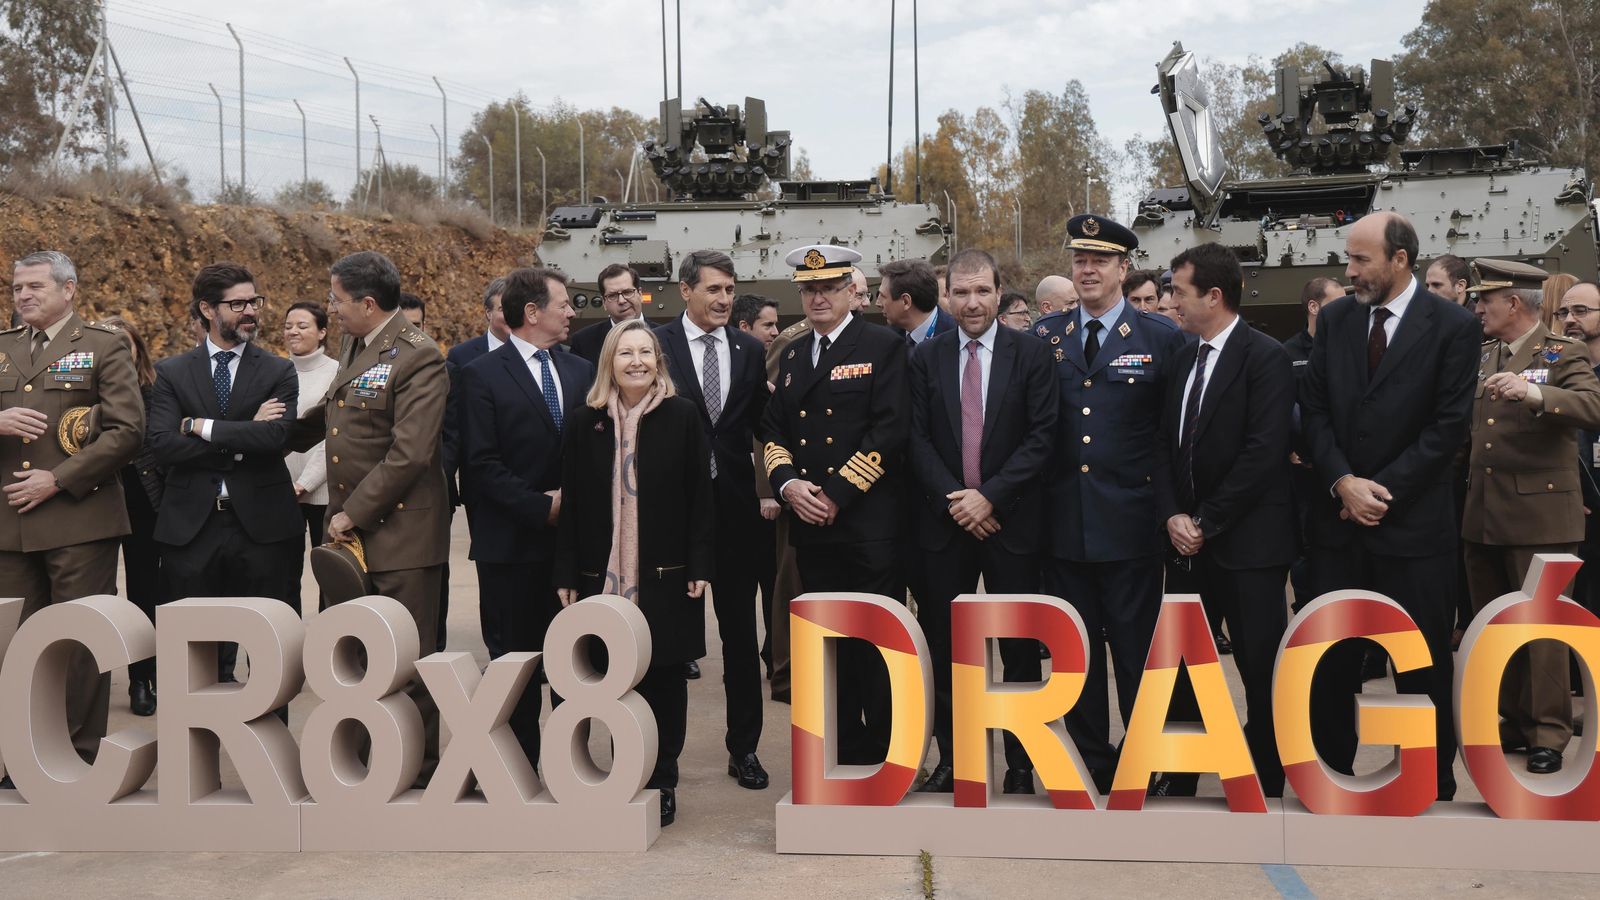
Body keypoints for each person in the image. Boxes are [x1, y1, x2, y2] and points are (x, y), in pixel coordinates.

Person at [1298, 211, 1480, 802]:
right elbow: (1316, 413)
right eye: (1347, 259)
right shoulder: (1338, 321)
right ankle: (1329, 772)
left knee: (1422, 660)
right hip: (1338, 527)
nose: (1349, 272)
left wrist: (1380, 492)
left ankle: (1428, 777)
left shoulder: (1452, 327)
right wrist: (1343, 482)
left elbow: (1448, 427)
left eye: (1360, 260)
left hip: (1414, 530)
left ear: (1400, 259)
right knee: (1331, 661)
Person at [1033, 215, 1186, 794]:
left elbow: (1174, 437)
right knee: (1076, 657)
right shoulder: (1045, 338)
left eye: (1100, 260)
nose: (1088, 270)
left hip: (1133, 525)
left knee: (1137, 653)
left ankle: (1151, 758)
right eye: (1079, 260)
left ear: (1125, 267)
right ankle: (1092, 760)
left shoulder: (1161, 340)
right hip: (1063, 525)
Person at [288, 250, 451, 786]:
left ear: (368, 303)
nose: (331, 309)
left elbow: (410, 453)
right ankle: (363, 763)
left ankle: (418, 767)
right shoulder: (356, 342)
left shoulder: (418, 355)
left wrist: (350, 513)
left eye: (336, 301)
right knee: (357, 656)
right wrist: (267, 436)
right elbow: (337, 421)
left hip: (401, 533)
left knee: (410, 657)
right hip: (353, 534)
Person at [908, 248, 1058, 794]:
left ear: (999, 293)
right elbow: (916, 440)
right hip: (945, 530)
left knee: (1018, 649)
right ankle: (955, 759)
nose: (972, 302)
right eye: (961, 292)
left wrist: (989, 498)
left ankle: (1021, 763)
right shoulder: (925, 358)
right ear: (946, 296)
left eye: (982, 291)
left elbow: (1042, 437)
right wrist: (959, 500)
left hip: (1011, 526)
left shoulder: (1033, 355)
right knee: (947, 650)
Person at [555, 319, 714, 828]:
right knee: (605, 677)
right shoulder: (586, 421)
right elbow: (574, 502)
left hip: (667, 573)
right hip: (599, 577)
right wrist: (566, 571)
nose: (637, 361)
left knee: (665, 677)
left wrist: (701, 563)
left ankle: (662, 778)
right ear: (610, 362)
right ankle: (618, 770)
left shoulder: (683, 416)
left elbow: (700, 499)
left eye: (646, 352)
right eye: (626, 353)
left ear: (659, 361)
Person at [1154, 243, 1296, 798]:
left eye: (1179, 293)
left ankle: (1267, 773)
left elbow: (1263, 454)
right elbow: (1163, 444)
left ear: (1214, 296)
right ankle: (1182, 770)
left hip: (1249, 546)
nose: (1172, 302)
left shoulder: (1266, 357)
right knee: (1185, 668)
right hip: (1186, 543)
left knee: (1261, 667)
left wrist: (1205, 522)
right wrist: (1172, 515)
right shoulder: (1181, 356)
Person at [761, 242, 909, 765]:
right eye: (809, 289)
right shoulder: (797, 352)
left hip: (866, 524)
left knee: (877, 644)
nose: (818, 297)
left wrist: (837, 494)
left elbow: (890, 429)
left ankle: (890, 752)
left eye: (828, 288)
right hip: (812, 526)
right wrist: (788, 485)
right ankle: (845, 745)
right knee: (831, 644)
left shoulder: (884, 345)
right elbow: (773, 428)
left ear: (852, 290)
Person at [0, 251, 143, 770]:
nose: (24, 296)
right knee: (14, 643)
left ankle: (77, 754)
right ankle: (25, 755)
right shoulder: (3, 347)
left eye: (35, 286)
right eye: (17, 288)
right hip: (9, 524)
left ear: (69, 290)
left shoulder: (102, 346)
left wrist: (57, 479)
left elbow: (128, 430)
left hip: (79, 520)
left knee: (79, 641)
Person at [1462, 259, 1600, 775]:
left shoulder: (1562, 353)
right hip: (1484, 516)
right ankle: (1516, 720)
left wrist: (1535, 392)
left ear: (1512, 303)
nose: (1477, 309)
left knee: (1542, 633)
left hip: (1541, 518)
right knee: (1497, 627)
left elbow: (1593, 405)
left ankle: (1548, 733)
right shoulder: (1483, 357)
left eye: (1485, 301)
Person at [148, 262, 302, 696]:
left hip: (264, 529)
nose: (251, 311)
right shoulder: (172, 373)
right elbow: (161, 446)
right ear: (207, 309)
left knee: (272, 654)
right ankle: (196, 750)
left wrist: (202, 426)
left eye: (255, 301)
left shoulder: (277, 370)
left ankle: (269, 756)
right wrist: (242, 433)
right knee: (193, 654)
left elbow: (274, 438)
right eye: (238, 304)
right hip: (190, 529)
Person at [459, 266, 591, 773]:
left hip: (571, 551)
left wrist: (576, 509)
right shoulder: (479, 375)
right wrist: (545, 507)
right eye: (564, 304)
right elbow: (480, 465)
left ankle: (570, 767)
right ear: (532, 313)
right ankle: (519, 771)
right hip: (510, 549)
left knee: (572, 668)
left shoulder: (580, 371)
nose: (572, 312)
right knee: (515, 667)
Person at [654, 249, 771, 789]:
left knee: (742, 644)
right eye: (713, 290)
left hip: (738, 519)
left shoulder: (749, 350)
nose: (724, 299)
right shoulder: (655, 345)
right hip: (674, 522)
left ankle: (743, 749)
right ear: (686, 291)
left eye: (729, 290)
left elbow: (764, 427)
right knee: (671, 646)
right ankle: (665, 761)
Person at [99, 316, 164, 716]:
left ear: (138, 350)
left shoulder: (157, 392)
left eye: (126, 346)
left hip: (145, 505)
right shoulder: (85, 394)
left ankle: (143, 680)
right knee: (99, 596)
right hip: (96, 502)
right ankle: (92, 682)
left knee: (144, 595)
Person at [443, 277, 508, 654]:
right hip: (483, 486)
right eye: (501, 307)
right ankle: (498, 651)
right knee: (493, 578)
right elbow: (455, 426)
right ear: (487, 313)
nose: (509, 313)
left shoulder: (548, 352)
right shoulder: (462, 357)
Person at [732, 292, 781, 678]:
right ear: (745, 327)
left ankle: (773, 653)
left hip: (767, 491)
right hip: (743, 492)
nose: (775, 332)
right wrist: (765, 491)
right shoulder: (739, 361)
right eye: (768, 325)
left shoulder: (773, 360)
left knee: (773, 578)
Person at [283, 300, 340, 610]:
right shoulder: (275, 371)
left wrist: (304, 483)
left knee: (328, 574)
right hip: (281, 491)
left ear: (322, 332)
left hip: (321, 491)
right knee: (284, 574)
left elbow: (332, 436)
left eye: (302, 326)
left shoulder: (337, 372)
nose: (293, 331)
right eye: (288, 326)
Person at [1561, 282, 1600, 627]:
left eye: (1581, 311)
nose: (1570, 319)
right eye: (1564, 312)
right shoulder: (1556, 374)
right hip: (1572, 507)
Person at [569, 263, 646, 365]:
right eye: (612, 295)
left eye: (627, 292)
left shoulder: (665, 337)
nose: (622, 300)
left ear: (640, 294)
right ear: (604, 302)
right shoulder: (583, 342)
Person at [876, 258, 954, 349]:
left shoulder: (959, 337)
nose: (878, 303)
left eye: (883, 296)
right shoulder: (885, 339)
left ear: (906, 302)